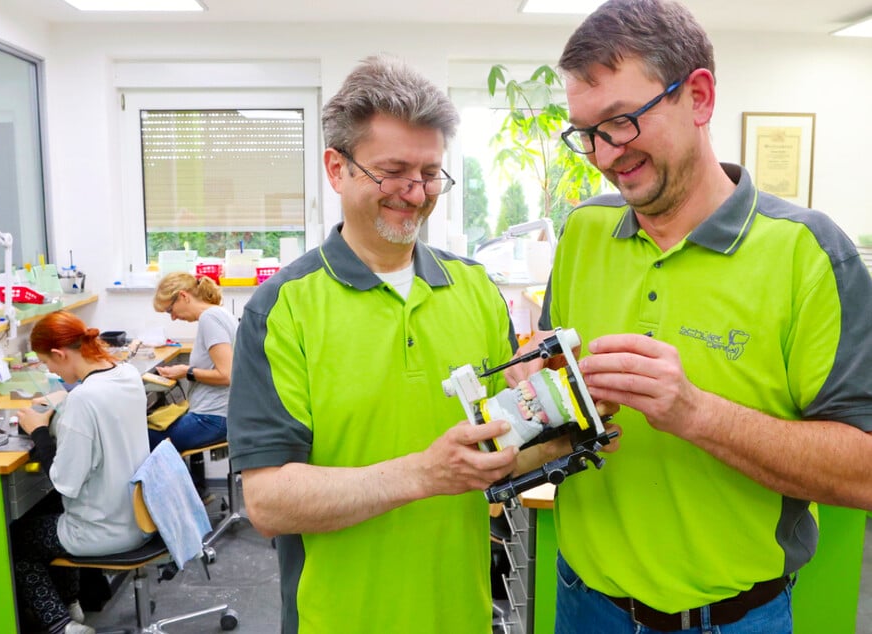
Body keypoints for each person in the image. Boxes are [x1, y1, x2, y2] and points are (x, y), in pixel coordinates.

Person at [509, 1, 872, 632]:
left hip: (734, 617)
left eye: (620, 123)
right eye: (585, 132)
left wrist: (694, 413)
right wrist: (545, 392)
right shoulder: (583, 232)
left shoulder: (809, 253)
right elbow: (568, 407)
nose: (602, 155)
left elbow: (863, 471)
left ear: (698, 96)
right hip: (583, 601)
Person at [227, 55, 524, 634]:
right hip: (338, 618)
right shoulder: (282, 308)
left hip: (460, 612)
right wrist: (423, 474)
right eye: (393, 171)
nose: (415, 194)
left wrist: (575, 416)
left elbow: (500, 449)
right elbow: (268, 502)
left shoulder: (478, 290)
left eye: (431, 173)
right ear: (337, 169)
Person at [11, 311, 151, 634]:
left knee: (18, 540)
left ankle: (62, 626)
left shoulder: (83, 401)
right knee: (52, 514)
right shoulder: (126, 373)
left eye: (49, 364)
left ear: (60, 354)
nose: (51, 371)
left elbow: (65, 483)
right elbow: (94, 404)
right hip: (142, 514)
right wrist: (66, 399)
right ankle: (71, 604)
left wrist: (38, 431)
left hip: (105, 529)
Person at [152, 272, 238, 494]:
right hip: (220, 414)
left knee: (143, 439)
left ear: (183, 296)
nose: (172, 317)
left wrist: (186, 371)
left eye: (170, 310)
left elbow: (226, 374)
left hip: (213, 418)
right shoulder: (219, 315)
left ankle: (183, 507)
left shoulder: (211, 319)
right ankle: (197, 494)